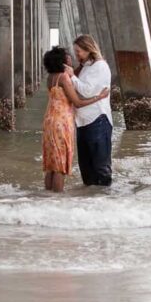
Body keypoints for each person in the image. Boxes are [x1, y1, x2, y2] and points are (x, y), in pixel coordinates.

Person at [41, 46, 109, 193]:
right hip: (62, 121)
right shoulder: (64, 77)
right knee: (60, 165)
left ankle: (47, 198)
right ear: (63, 60)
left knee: (52, 163)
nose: (71, 57)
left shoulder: (51, 77)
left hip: (49, 120)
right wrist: (99, 97)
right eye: (68, 56)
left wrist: (80, 66)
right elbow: (77, 102)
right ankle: (57, 199)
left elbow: (73, 76)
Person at [68, 35, 115, 186]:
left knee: (101, 168)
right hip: (82, 122)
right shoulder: (87, 66)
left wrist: (71, 77)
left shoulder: (100, 66)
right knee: (86, 170)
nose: (77, 55)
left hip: (98, 120)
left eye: (78, 51)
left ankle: (106, 202)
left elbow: (87, 91)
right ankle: (89, 203)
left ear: (88, 49)